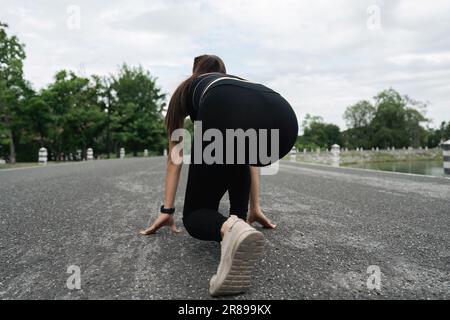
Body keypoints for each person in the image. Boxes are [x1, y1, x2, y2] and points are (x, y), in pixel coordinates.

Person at [140, 55, 298, 296]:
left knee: (195, 216)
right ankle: (238, 224)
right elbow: (250, 157)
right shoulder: (236, 81)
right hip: (283, 117)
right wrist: (254, 206)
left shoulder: (188, 88)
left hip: (227, 109)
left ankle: (231, 228)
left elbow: (175, 156)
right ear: (223, 70)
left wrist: (167, 210)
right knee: (237, 155)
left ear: (195, 71)